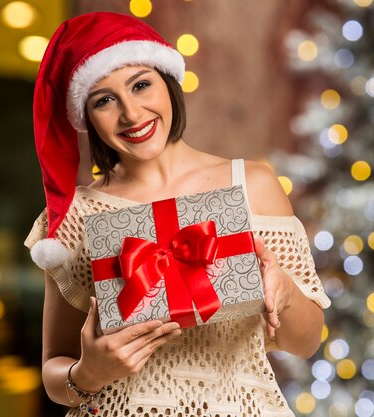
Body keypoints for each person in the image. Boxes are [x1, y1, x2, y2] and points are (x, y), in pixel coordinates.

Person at [25, 11, 330, 417]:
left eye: (141, 85)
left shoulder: (251, 184)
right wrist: (87, 374)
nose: (131, 114)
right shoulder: (75, 217)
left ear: (167, 83)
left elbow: (306, 343)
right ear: (86, 116)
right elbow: (53, 368)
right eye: (104, 100)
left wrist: (286, 295)